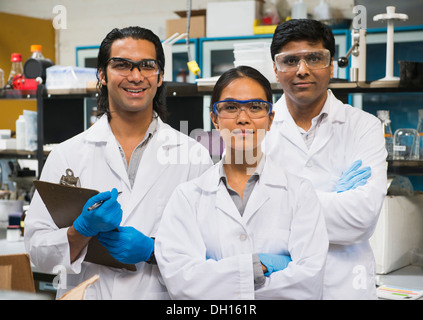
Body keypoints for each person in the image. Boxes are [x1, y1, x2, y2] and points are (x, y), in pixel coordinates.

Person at [24, 26, 212, 300]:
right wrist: (80, 231)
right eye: (122, 65)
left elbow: (211, 250)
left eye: (147, 65)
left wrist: (153, 251)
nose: (136, 76)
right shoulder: (67, 155)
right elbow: (38, 252)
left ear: (159, 76)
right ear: (102, 74)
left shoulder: (194, 156)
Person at [155, 66, 329, 300]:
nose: (243, 118)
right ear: (215, 119)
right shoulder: (188, 196)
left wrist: (217, 274)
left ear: (270, 120)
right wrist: (255, 267)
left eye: (256, 107)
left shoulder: (299, 192)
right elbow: (183, 283)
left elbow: (307, 284)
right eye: (231, 107)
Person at [265, 19, 387, 299]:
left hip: (344, 286)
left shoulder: (364, 127)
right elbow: (241, 214)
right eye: (290, 60)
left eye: (314, 58)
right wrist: (332, 198)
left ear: (331, 65)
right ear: (275, 68)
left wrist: (277, 202)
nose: (302, 70)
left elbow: (361, 219)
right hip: (278, 285)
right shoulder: (256, 128)